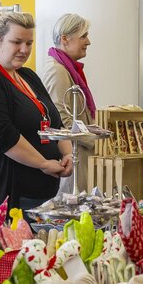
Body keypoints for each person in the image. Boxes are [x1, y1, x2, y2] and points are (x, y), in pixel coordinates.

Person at [0, 11, 72, 221]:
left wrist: (66, 153)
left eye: (29, 43)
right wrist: (43, 163)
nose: (24, 49)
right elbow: (4, 136)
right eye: (17, 42)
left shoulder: (28, 76)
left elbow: (55, 121)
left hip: (37, 197)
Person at [43, 13, 96, 192]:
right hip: (72, 156)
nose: (88, 42)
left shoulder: (68, 69)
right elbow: (61, 119)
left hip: (79, 154)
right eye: (83, 36)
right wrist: (96, 141)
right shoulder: (57, 71)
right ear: (65, 39)